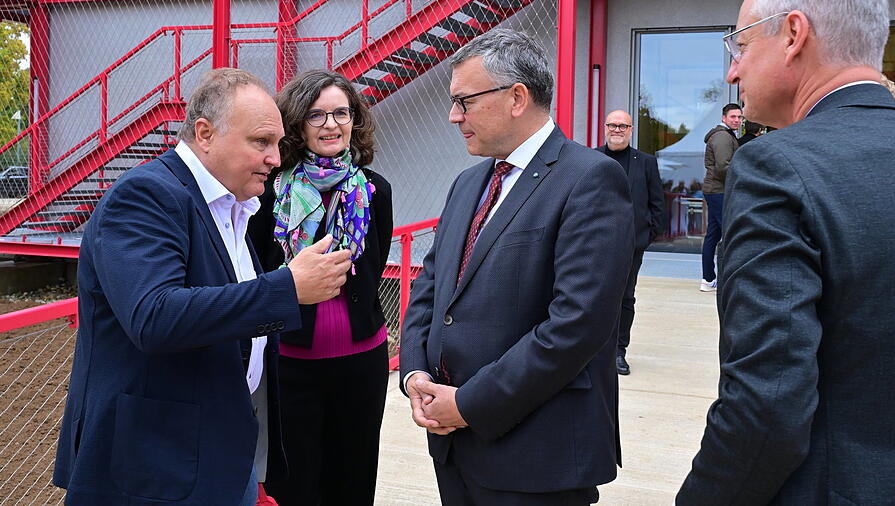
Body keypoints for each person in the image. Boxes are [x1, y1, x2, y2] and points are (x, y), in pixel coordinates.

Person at [677, 0, 895, 504]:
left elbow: (766, 405)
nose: (733, 71)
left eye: (738, 44)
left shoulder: (774, 167)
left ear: (793, 34)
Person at [52, 68, 353, 505]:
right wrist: (287, 288)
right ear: (205, 133)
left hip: (214, 452)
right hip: (151, 467)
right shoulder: (145, 195)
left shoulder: (234, 205)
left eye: (277, 144)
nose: (275, 157)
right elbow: (154, 316)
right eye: (261, 142)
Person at [399, 29, 634, 505]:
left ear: (517, 98)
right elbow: (431, 286)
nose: (453, 116)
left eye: (464, 101)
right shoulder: (468, 183)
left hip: (536, 458)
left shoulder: (589, 179)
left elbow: (577, 325)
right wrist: (415, 374)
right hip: (454, 447)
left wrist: (468, 403)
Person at [249, 69, 393, 506]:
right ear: (296, 123)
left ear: (355, 121)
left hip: (363, 361)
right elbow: (259, 271)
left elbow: (373, 267)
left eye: (341, 113)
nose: (331, 124)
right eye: (316, 115)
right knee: (294, 483)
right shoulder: (269, 194)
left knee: (353, 477)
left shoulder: (375, 190)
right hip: (290, 361)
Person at [596, 109, 665, 375]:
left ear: (631, 130)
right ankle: (593, 350)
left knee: (625, 297)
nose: (617, 130)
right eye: (612, 125)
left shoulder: (645, 162)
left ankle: (618, 351)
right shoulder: (592, 158)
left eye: (622, 126)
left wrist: (646, 237)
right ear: (605, 127)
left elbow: (657, 202)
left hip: (630, 245)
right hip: (595, 243)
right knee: (593, 296)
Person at [699, 103, 742, 292]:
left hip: (716, 190)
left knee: (714, 235)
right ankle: (725, 279)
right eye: (733, 117)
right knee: (729, 234)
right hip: (719, 191)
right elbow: (723, 167)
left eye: (740, 117)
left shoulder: (724, 135)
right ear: (724, 118)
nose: (737, 120)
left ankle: (708, 279)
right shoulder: (723, 137)